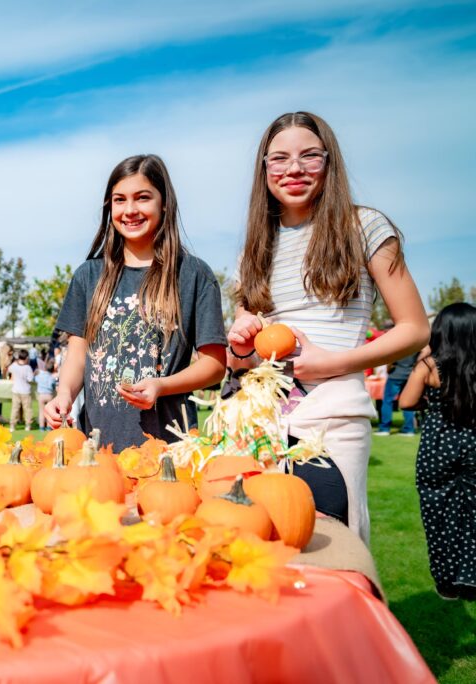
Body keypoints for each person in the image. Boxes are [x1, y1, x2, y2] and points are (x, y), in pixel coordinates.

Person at [227, 111, 428, 544]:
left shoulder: (365, 226)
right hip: (259, 422)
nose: (293, 169)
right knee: (258, 549)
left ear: (329, 162)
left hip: (332, 416)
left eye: (309, 156)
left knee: (332, 546)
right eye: (278, 158)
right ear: (264, 168)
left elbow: (414, 328)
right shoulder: (255, 248)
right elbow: (245, 356)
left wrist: (330, 363)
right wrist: (242, 342)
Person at [45, 154, 227, 452]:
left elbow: (215, 365)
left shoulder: (194, 275)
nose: (130, 210)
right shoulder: (89, 275)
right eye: (119, 200)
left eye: (142, 198)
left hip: (170, 450)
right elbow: (77, 354)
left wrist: (161, 386)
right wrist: (63, 393)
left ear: (164, 202)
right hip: (96, 449)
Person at [398, 303, 476, 600]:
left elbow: (406, 402)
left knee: (437, 514)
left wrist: (431, 405)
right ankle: (471, 579)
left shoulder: (429, 366)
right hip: (473, 443)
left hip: (437, 447)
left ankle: (447, 584)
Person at [375, 351, 418, 436]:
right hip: (410, 375)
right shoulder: (415, 344)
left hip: (396, 374)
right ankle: (409, 429)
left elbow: (391, 358)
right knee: (408, 402)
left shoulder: (400, 343)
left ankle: (384, 428)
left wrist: (388, 368)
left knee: (387, 401)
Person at [7, 348, 35, 431]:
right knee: (28, 409)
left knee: (15, 409)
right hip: (25, 391)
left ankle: (12, 425)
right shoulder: (27, 368)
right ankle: (28, 425)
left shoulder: (14, 366)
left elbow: (9, 369)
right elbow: (30, 379)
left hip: (16, 390)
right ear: (26, 358)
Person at [35, 358, 57, 430]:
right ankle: (48, 426)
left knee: (41, 412)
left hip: (41, 395)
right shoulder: (52, 377)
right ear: (53, 369)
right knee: (49, 412)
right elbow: (53, 385)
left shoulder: (40, 376)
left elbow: (34, 379)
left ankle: (41, 427)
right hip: (49, 395)